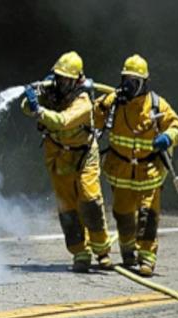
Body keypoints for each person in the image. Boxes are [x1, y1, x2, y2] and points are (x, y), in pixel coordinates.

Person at [93, 54, 178, 277]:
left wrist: (168, 137)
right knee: (123, 214)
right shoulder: (114, 102)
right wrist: (102, 105)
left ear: (143, 83)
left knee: (148, 215)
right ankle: (128, 253)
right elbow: (93, 121)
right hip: (121, 171)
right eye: (125, 80)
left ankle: (147, 258)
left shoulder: (155, 104)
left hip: (148, 172)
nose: (128, 85)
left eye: (133, 81)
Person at [22, 51, 113, 272]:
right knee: (67, 207)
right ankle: (80, 253)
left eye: (65, 78)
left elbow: (62, 122)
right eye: (59, 77)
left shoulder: (83, 102)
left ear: (77, 79)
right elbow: (26, 107)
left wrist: (39, 110)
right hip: (58, 155)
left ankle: (101, 250)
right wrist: (34, 97)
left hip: (84, 155)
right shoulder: (53, 93)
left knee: (90, 199)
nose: (61, 82)